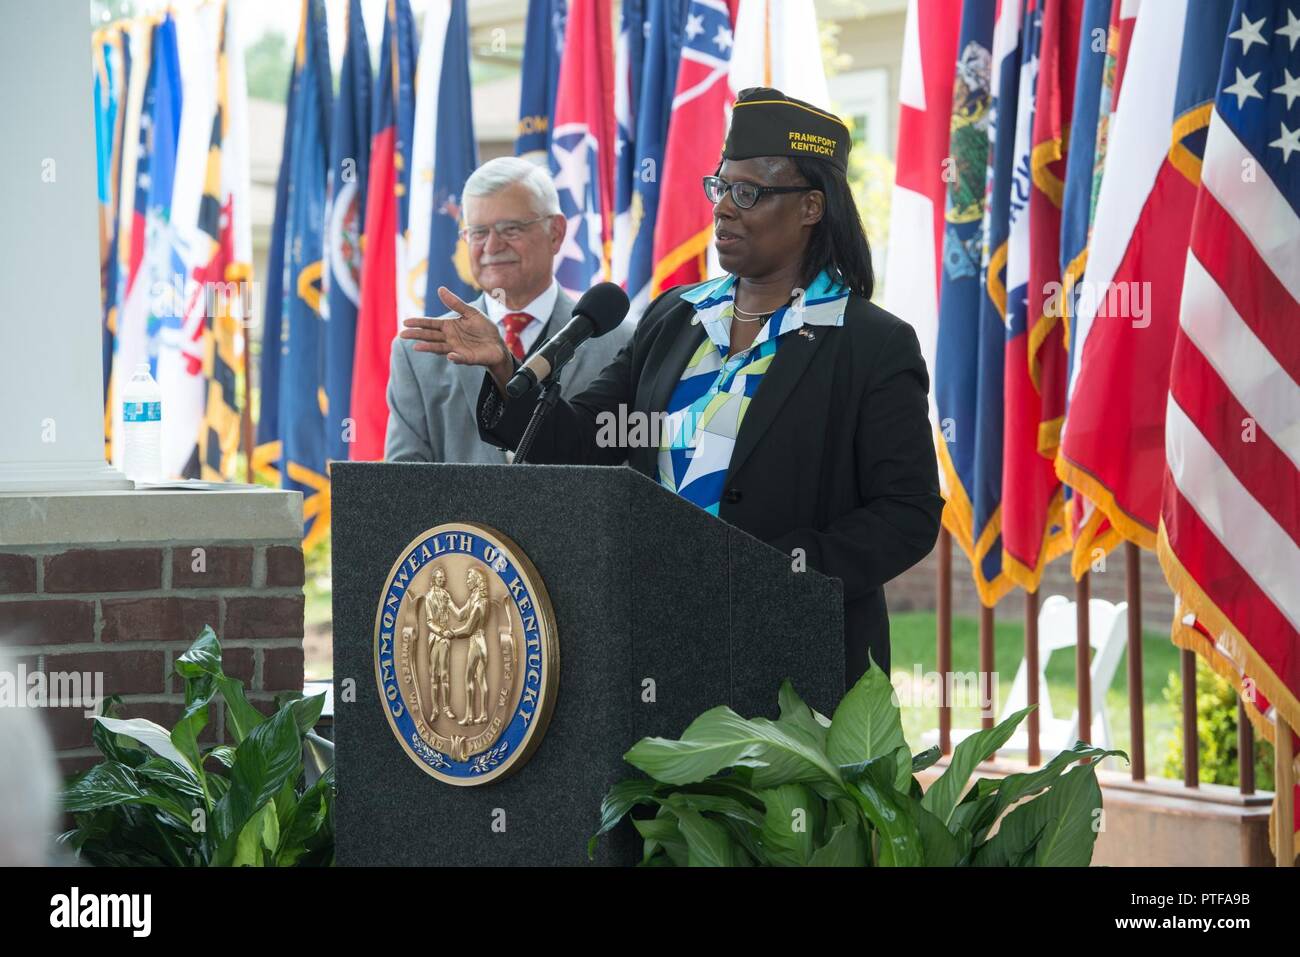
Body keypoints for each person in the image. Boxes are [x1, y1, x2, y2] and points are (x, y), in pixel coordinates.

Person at [399, 87, 942, 681]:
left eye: (748, 192)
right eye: (720, 187)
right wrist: (506, 369)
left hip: (795, 653)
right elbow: (584, 442)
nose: (723, 209)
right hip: (659, 641)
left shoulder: (868, 343)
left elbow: (906, 514)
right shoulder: (675, 318)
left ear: (811, 208)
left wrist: (779, 570)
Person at [385, 156, 632, 462]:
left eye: (510, 229)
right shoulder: (417, 352)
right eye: (477, 232)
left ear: (555, 232)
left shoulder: (622, 341)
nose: (491, 246)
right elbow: (402, 488)